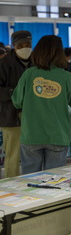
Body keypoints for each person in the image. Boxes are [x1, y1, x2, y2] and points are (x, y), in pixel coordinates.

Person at [11, 35, 71, 174]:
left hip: (31, 134)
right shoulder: (66, 76)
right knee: (53, 180)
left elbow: (16, 101)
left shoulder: (28, 74)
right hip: (57, 135)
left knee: (29, 179)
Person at [0, 30, 33, 177]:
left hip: (34, 116)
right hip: (11, 116)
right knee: (13, 155)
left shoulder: (37, 61)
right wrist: (16, 92)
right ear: (14, 45)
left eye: (28, 44)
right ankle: (10, 188)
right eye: (21, 45)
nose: (25, 48)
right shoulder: (5, 64)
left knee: (33, 155)